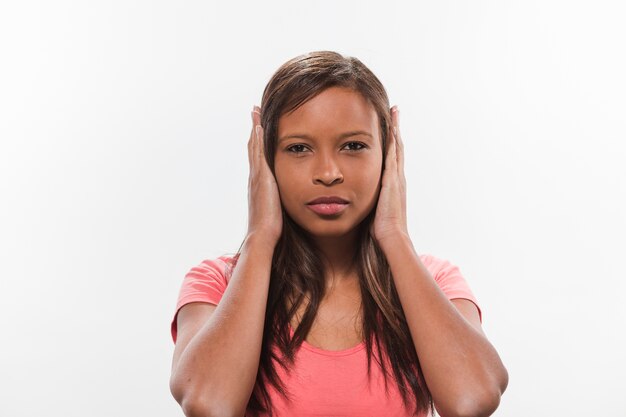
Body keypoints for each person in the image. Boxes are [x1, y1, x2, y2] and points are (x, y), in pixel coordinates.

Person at [168, 50, 508, 417]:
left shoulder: (435, 280)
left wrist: (395, 235)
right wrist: (260, 236)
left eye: (353, 146)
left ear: (389, 154)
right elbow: (209, 405)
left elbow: (473, 400)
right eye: (299, 148)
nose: (328, 172)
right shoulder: (217, 283)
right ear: (265, 158)